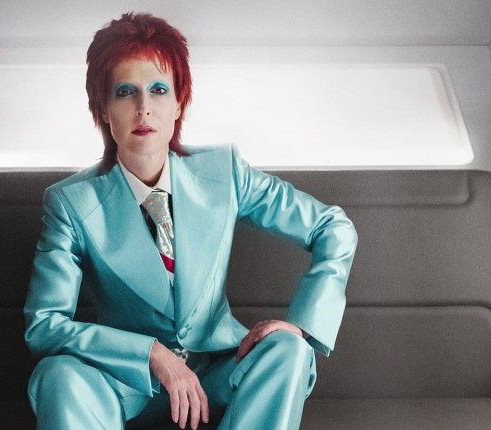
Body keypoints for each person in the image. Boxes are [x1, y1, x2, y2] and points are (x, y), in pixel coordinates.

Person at [24, 12, 357, 430]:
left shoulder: (224, 171)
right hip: (124, 383)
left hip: (218, 375)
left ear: (178, 102)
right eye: (125, 92)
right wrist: (151, 354)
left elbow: (332, 228)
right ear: (103, 109)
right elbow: (45, 325)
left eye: (158, 89)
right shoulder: (71, 203)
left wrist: (302, 326)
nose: (144, 108)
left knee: (289, 350)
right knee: (58, 375)